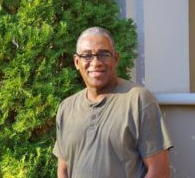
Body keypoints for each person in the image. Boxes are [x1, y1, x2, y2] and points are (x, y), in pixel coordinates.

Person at [53, 27, 173, 178]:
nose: (96, 62)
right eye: (87, 56)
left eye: (104, 54)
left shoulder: (138, 100)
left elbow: (159, 172)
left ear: (116, 59)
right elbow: (63, 170)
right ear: (77, 62)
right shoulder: (66, 108)